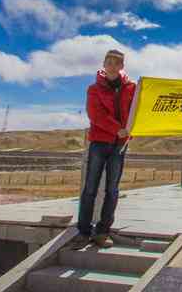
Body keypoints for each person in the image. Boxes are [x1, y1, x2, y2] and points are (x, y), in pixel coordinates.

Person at [71, 49, 136, 248]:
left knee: (112, 189)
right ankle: (83, 231)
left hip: (119, 145)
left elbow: (135, 113)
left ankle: (102, 231)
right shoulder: (94, 89)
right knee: (90, 188)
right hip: (99, 142)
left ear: (122, 66)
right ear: (104, 64)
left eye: (117, 63)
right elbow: (95, 115)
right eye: (109, 62)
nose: (112, 66)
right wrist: (118, 129)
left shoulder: (131, 88)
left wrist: (129, 133)